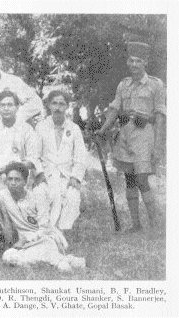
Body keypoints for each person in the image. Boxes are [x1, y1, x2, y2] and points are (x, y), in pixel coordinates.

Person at [97, 41, 165, 231]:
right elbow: (114, 109)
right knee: (130, 179)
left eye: (138, 61)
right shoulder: (123, 85)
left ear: (145, 63)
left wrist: (158, 145)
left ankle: (155, 224)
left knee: (142, 179)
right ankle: (136, 225)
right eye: (131, 61)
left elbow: (160, 116)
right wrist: (102, 130)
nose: (134, 65)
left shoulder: (156, 84)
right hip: (125, 135)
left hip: (144, 135)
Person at [0, 162, 85, 272]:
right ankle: (66, 260)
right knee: (8, 256)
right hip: (23, 243)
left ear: (25, 181)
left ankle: (60, 261)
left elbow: (45, 228)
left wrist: (25, 241)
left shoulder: (37, 197)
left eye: (17, 179)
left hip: (44, 238)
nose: (13, 183)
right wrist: (11, 244)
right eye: (10, 179)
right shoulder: (3, 195)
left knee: (43, 248)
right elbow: (6, 223)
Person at [36, 90, 88, 231]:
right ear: (49, 106)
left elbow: (81, 156)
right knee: (42, 194)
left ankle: (63, 230)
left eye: (61, 104)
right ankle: (45, 229)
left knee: (72, 197)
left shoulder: (74, 128)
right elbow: (35, 155)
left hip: (66, 176)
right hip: (47, 175)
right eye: (54, 103)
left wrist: (76, 177)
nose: (58, 107)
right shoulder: (41, 127)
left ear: (67, 107)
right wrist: (39, 173)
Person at [0, 46, 43, 124]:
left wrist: (17, 116)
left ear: (1, 61)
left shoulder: (14, 81)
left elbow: (36, 102)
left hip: (10, 127)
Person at [0, 90, 42, 176]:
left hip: (21, 174)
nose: (6, 108)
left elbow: (32, 159)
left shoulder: (26, 129)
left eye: (10, 105)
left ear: (17, 107)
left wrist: (13, 167)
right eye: (2, 105)